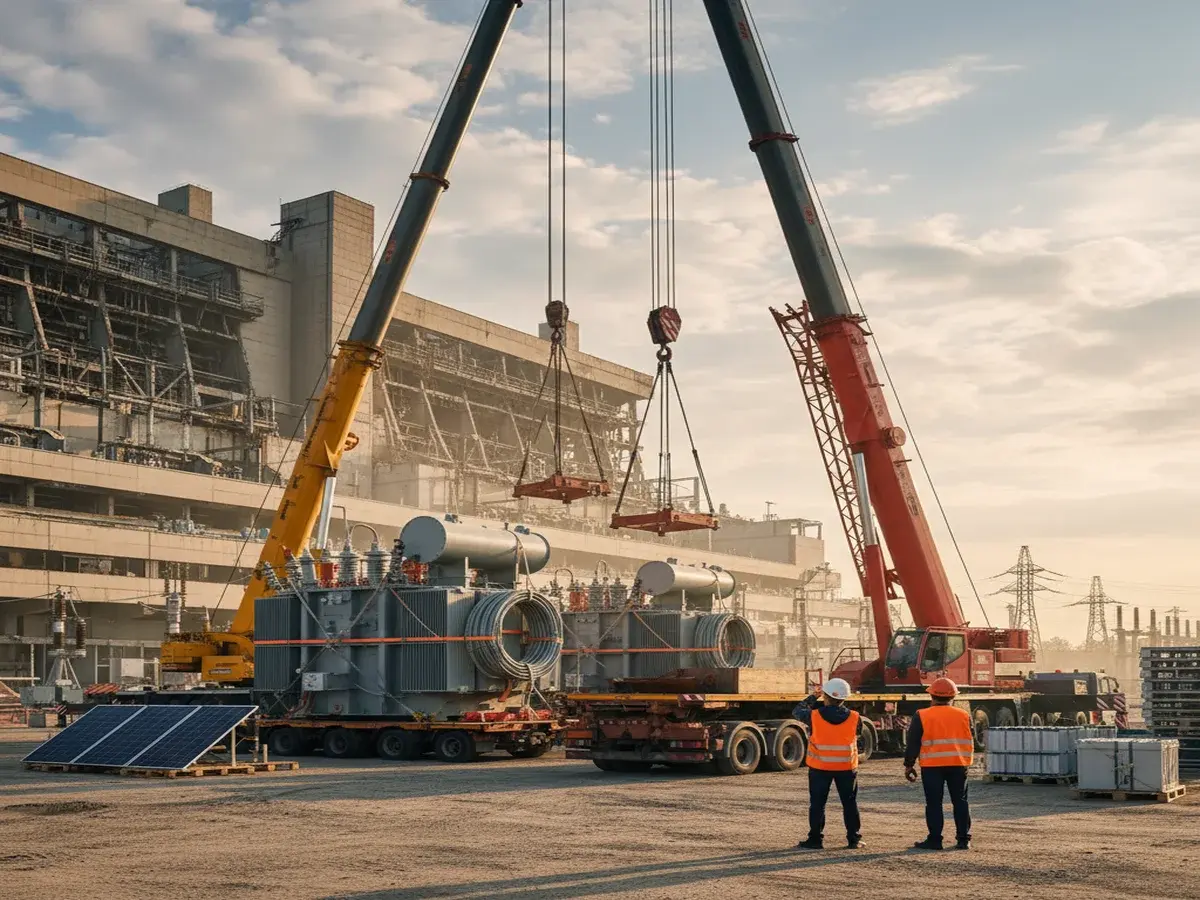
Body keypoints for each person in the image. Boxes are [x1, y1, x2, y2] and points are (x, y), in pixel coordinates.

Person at [791, 677, 864, 850]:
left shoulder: (813, 716)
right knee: (850, 803)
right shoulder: (855, 717)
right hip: (846, 768)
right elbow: (858, 736)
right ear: (844, 698)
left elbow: (796, 711)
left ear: (826, 696)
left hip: (819, 767)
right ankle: (853, 840)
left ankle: (815, 839)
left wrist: (813, 696)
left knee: (817, 804)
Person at [904, 677, 974, 851]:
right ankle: (963, 840)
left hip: (932, 766)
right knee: (961, 801)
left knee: (934, 803)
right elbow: (970, 737)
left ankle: (935, 840)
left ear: (932, 696)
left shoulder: (922, 715)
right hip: (958, 764)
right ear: (953, 697)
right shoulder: (964, 715)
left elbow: (913, 741)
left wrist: (909, 764)